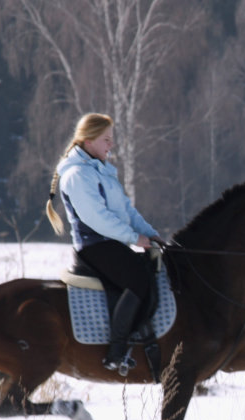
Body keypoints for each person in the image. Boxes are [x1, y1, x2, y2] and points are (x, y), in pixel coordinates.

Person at [46, 113, 164, 372]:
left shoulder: (100, 171)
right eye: (106, 140)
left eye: (111, 140)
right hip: (94, 247)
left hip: (111, 244)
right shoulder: (77, 175)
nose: (111, 145)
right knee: (139, 280)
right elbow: (96, 218)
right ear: (88, 141)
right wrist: (135, 238)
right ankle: (117, 350)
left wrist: (150, 234)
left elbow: (126, 211)